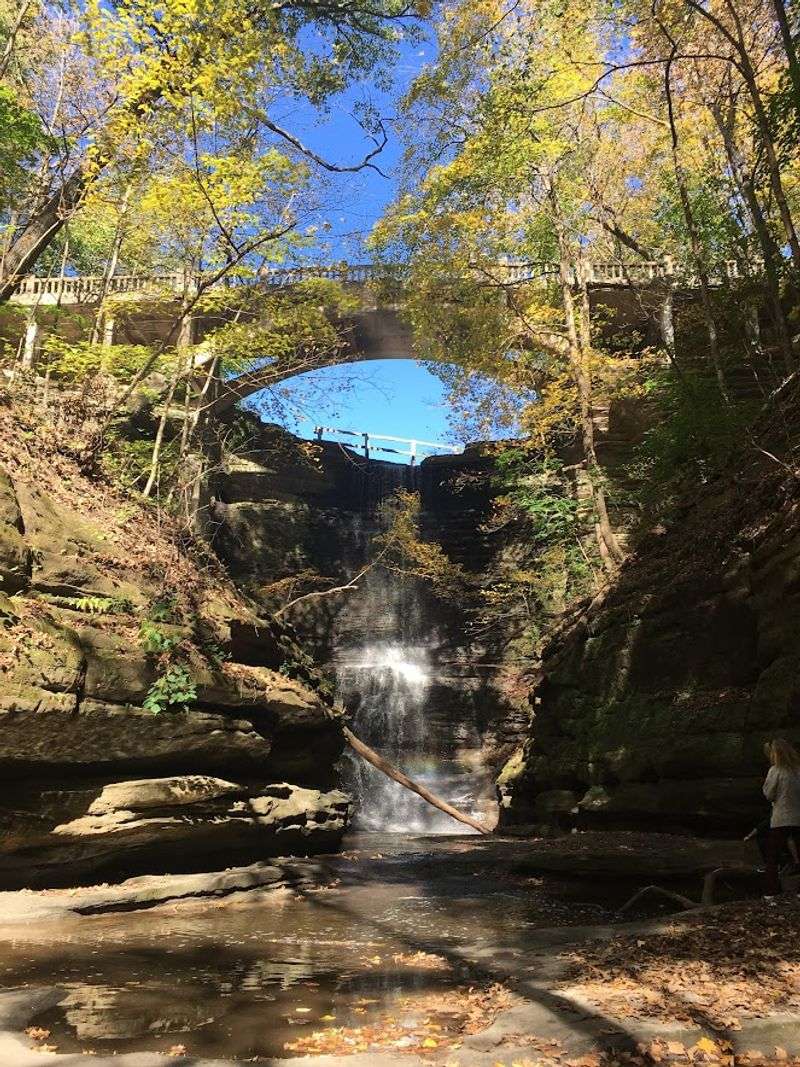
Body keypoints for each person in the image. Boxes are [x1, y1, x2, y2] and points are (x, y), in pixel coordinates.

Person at [757, 739, 800, 896]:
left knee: (772, 857)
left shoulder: (776, 770)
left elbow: (769, 794)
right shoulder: (798, 770)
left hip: (781, 819)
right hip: (798, 818)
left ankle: (771, 893)